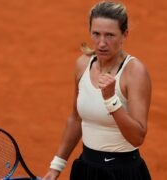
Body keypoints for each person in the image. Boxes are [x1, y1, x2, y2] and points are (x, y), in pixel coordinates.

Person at [42, 1, 152, 180]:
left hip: (122, 172)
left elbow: (137, 137)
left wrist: (111, 100)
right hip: (86, 169)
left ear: (125, 35)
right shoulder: (82, 64)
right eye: (96, 34)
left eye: (110, 35)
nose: (101, 43)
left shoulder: (135, 72)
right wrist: (56, 166)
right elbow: (76, 119)